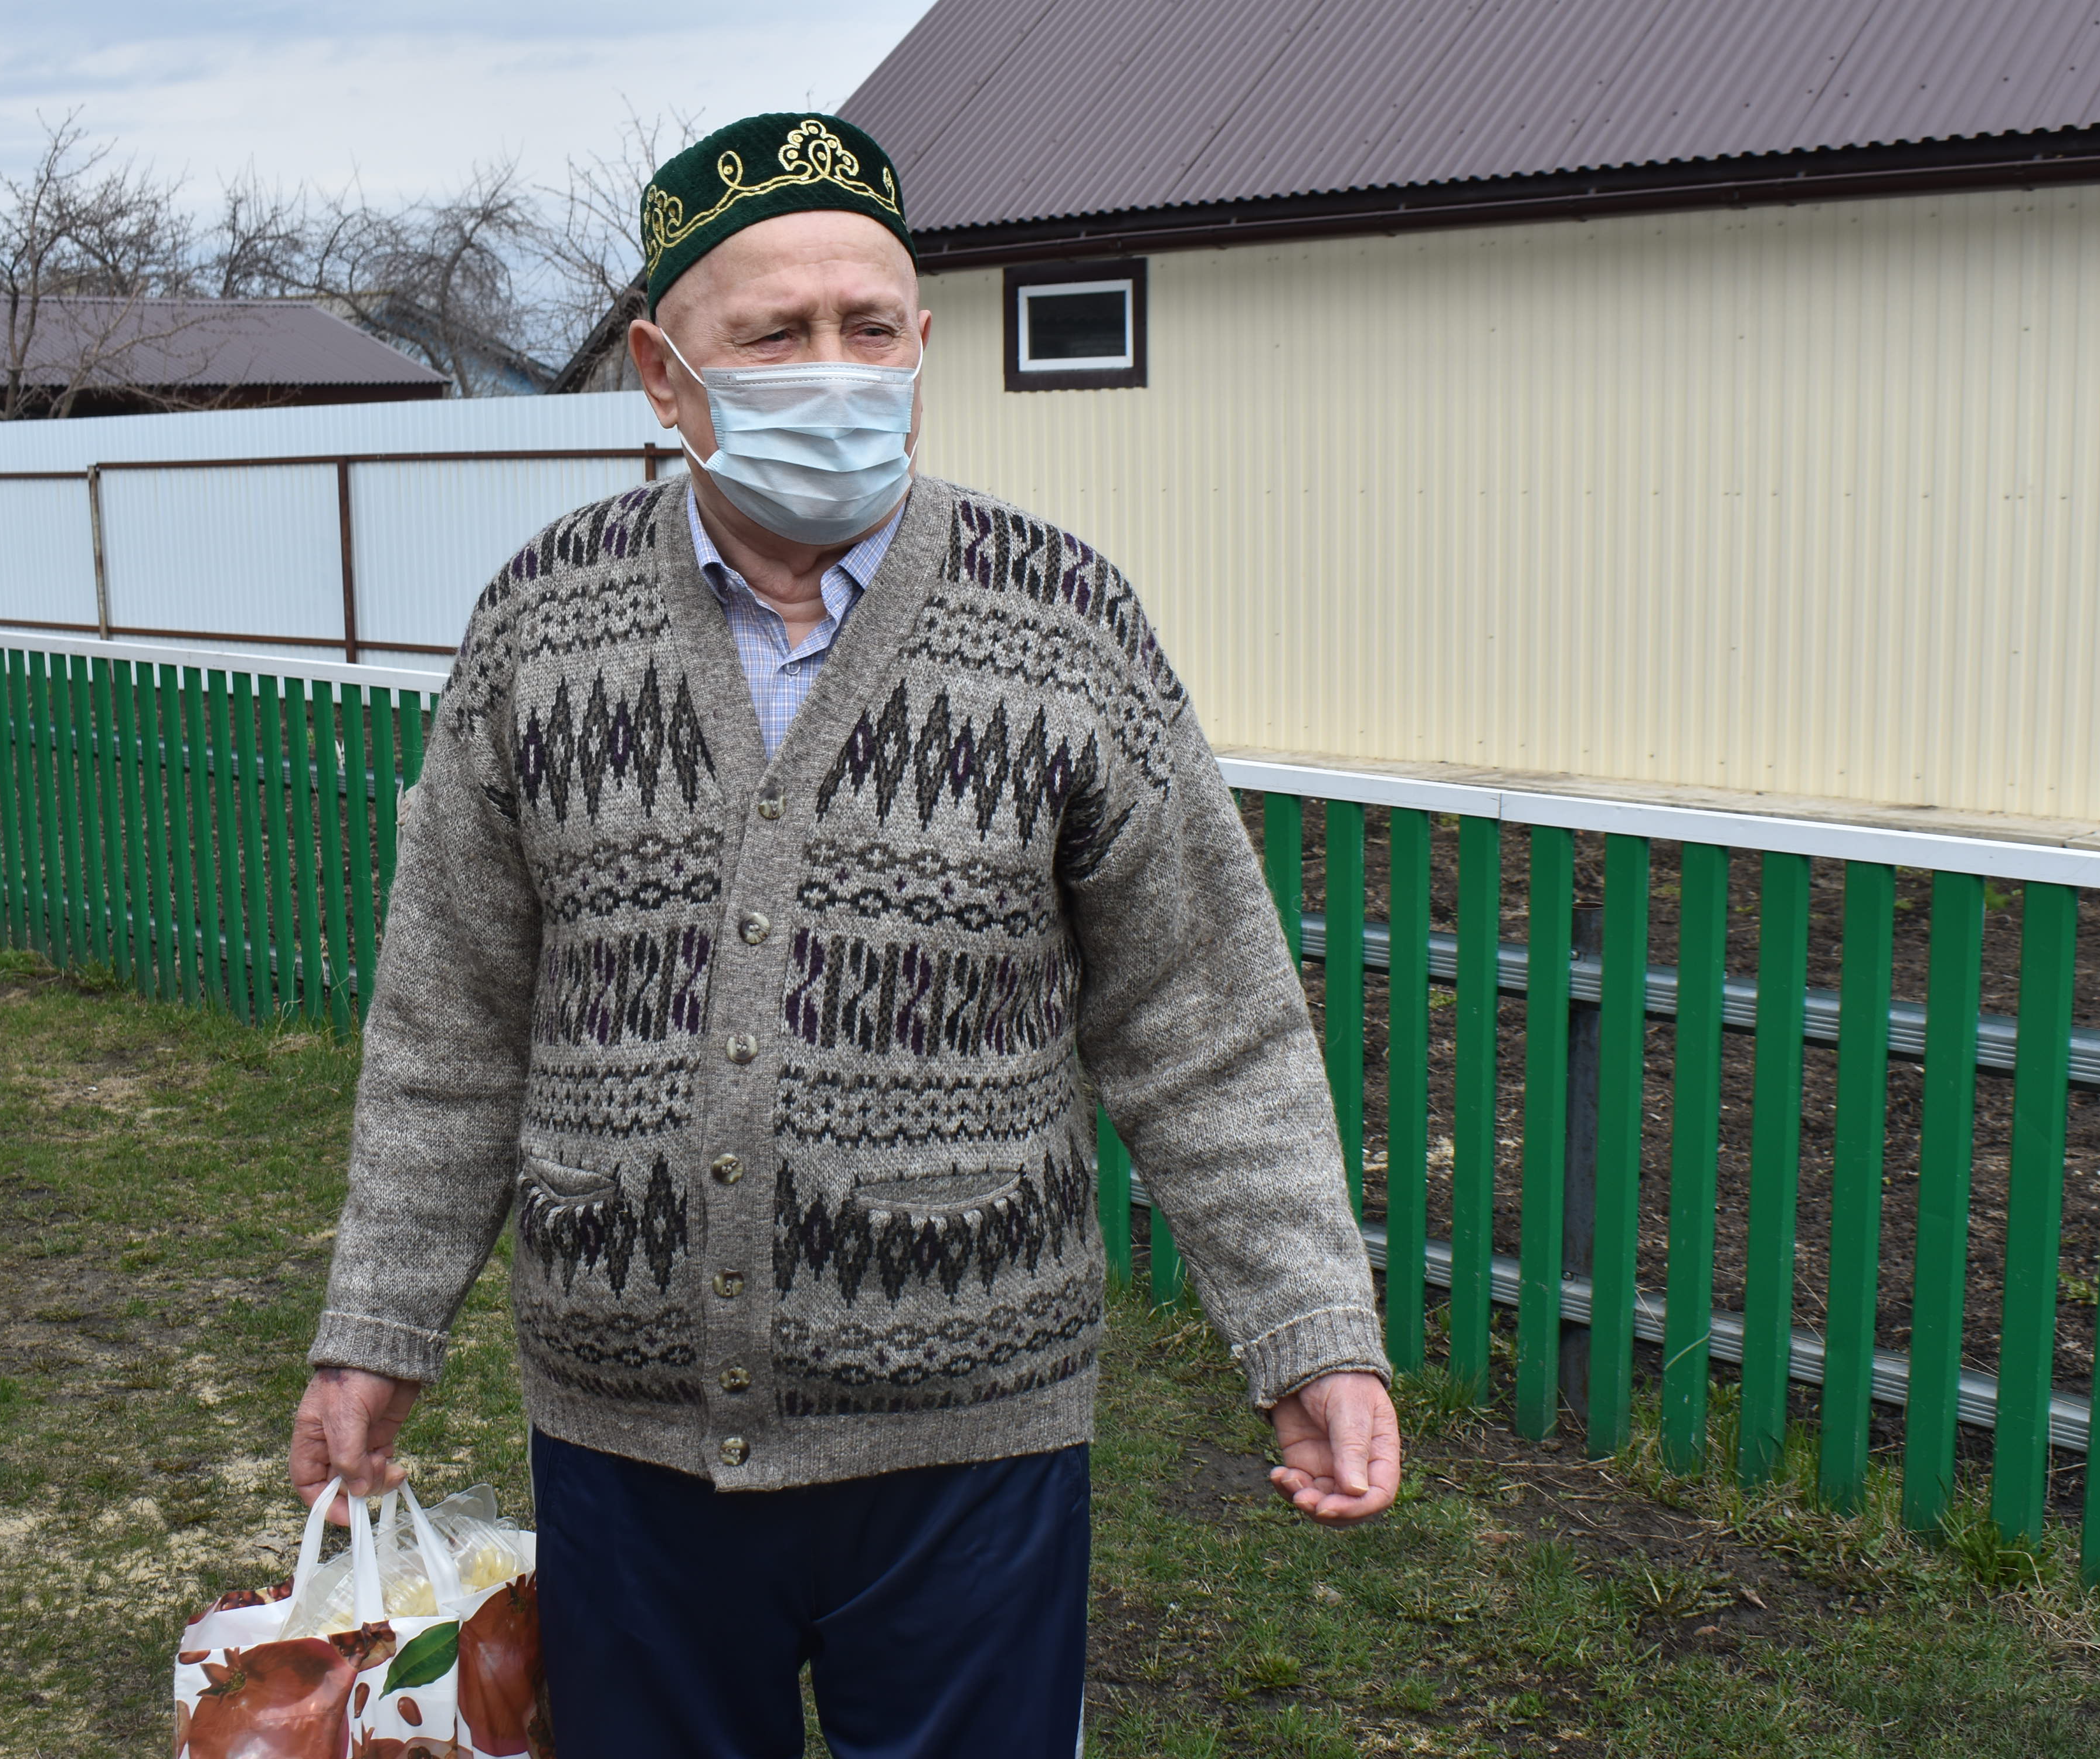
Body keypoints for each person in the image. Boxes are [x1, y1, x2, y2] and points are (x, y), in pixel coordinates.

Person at [287, 111, 1398, 1758]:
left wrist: (1309, 1333)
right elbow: (451, 1021)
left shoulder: (1061, 622)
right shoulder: (541, 625)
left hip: (974, 1441)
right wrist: (378, 1330)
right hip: (628, 1444)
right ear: (663, 375)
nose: (834, 371)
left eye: (870, 328)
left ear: (924, 347)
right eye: (775, 334)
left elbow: (1205, 1019)